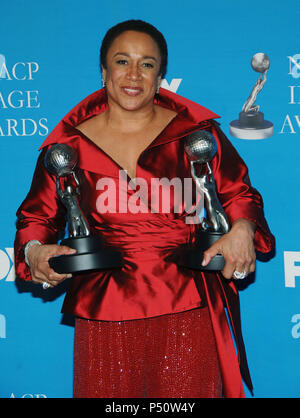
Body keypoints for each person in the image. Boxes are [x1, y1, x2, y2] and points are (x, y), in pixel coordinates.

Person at [14, 19, 275, 398]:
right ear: (103, 71)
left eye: (147, 63)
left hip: (187, 303)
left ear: (160, 74)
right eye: (122, 61)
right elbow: (36, 217)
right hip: (104, 308)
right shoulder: (68, 146)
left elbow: (239, 194)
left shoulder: (195, 134)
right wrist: (34, 251)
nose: (134, 74)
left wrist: (243, 229)